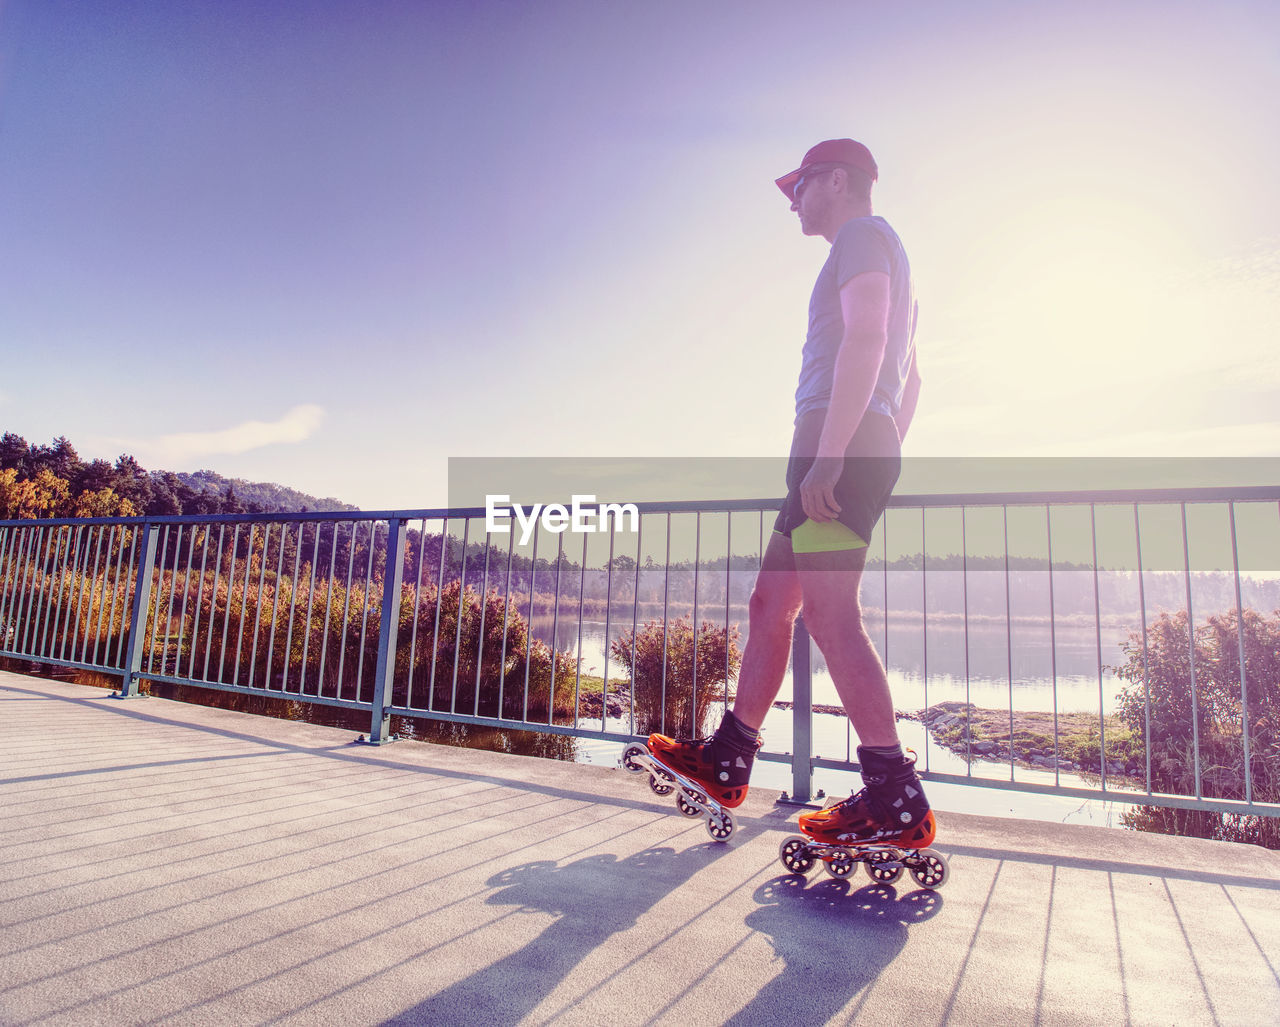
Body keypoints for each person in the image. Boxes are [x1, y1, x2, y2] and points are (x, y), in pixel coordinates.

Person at [647, 138, 932, 846]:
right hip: (841, 441)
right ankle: (729, 757)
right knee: (772, 603)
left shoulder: (864, 236)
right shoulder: (880, 251)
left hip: (837, 444)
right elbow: (914, 377)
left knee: (833, 617)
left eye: (799, 185)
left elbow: (866, 338)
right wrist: (871, 444)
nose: (793, 199)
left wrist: (841, 454)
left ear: (837, 181)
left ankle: (895, 795)